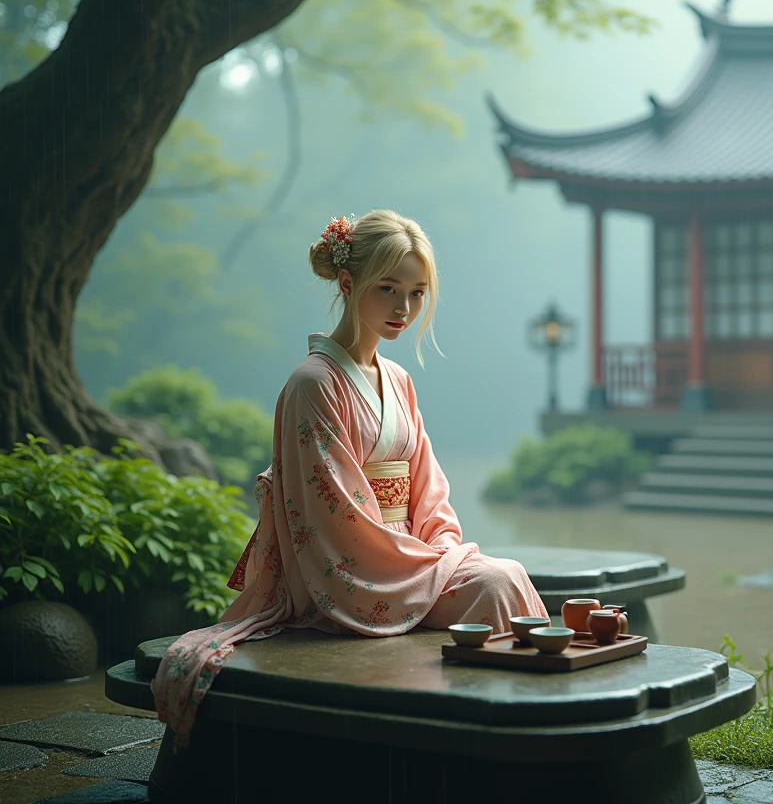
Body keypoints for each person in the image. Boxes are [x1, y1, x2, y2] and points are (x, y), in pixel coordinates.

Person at [152, 209, 547, 749]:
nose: (404, 309)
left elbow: (428, 488)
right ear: (347, 282)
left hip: (408, 557)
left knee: (500, 575)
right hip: (347, 573)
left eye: (416, 292)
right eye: (388, 289)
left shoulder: (399, 379)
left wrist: (444, 550)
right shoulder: (313, 383)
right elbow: (333, 513)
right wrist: (425, 566)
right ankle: (496, 744)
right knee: (497, 583)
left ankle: (518, 737)